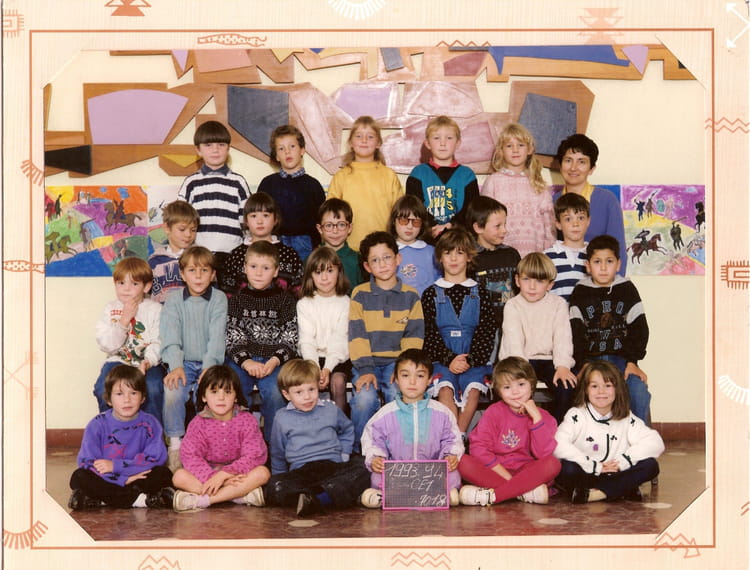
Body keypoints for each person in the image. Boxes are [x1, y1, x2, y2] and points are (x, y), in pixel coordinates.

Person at [359, 349, 464, 508]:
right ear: (396, 379)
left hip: (430, 473)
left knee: (453, 475)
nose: (412, 382)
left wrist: (451, 456)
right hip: (398, 474)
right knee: (377, 476)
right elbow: (373, 440)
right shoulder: (384, 415)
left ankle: (397, 496)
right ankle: (385, 494)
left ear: (429, 380)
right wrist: (376, 459)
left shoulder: (442, 412)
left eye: (420, 376)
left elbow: (452, 439)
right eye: (405, 375)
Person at [266, 359, 370, 516]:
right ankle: (325, 495)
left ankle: (318, 499)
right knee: (274, 485)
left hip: (332, 466)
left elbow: (347, 429)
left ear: (319, 387)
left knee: (364, 468)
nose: (307, 397)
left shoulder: (330, 409)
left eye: (311, 389)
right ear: (286, 394)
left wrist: (344, 454)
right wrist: (279, 477)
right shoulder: (281, 418)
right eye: (299, 392)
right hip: (301, 470)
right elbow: (277, 452)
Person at [348, 231, 424, 445]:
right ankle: (361, 449)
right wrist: (366, 369)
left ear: (398, 259)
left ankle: (399, 446)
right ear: (367, 267)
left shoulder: (411, 296)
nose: (382, 264)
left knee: (396, 394)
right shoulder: (360, 294)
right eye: (375, 260)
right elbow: (357, 336)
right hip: (367, 363)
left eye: (387, 257)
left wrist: (402, 369)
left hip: (397, 363)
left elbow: (414, 337)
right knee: (364, 399)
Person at [554, 360, 663, 503]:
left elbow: (655, 442)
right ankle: (621, 489)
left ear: (617, 389)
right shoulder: (577, 414)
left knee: (651, 466)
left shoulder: (625, 416)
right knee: (567, 469)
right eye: (594, 386)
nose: (601, 391)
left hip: (616, 472)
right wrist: (594, 466)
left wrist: (623, 462)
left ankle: (596, 494)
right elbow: (557, 444)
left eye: (608, 385)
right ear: (586, 389)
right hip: (587, 472)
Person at [568, 235, 651, 422]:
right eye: (597, 262)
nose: (603, 268)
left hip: (621, 359)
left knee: (638, 390)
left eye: (609, 261)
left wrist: (632, 361)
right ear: (588, 266)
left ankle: (640, 437)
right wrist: (582, 363)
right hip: (590, 360)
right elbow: (575, 332)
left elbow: (640, 329)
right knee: (576, 391)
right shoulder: (580, 291)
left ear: (618, 264)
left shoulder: (627, 289)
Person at [458, 357, 561, 506]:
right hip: (496, 471)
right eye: (507, 387)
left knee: (553, 464)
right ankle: (523, 492)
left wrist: (537, 419)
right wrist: (511, 481)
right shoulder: (494, 412)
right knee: (462, 462)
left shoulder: (545, 417)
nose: (515, 392)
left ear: (532, 384)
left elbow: (543, 454)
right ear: (499, 391)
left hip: (527, 474)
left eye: (521, 384)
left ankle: (493, 496)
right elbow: (479, 449)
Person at [160, 246, 228, 471]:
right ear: (182, 274)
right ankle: (175, 444)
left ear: (213, 274)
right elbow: (170, 335)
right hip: (183, 362)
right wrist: (176, 365)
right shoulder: (173, 299)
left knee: (212, 394)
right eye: (192, 270)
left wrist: (209, 367)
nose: (198, 276)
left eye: (204, 270)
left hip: (211, 362)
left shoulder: (219, 299)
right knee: (172, 391)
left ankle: (209, 446)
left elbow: (217, 337)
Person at [421, 227, 495, 435]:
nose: (453, 258)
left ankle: (459, 436)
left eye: (460, 252)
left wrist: (470, 359)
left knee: (473, 389)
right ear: (440, 258)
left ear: (469, 257)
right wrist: (449, 359)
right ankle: (454, 438)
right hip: (442, 359)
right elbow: (429, 334)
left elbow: (486, 331)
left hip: (473, 358)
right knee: (445, 388)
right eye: (448, 253)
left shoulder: (481, 292)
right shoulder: (430, 294)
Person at [69, 365, 174, 510]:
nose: (127, 400)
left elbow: (155, 458)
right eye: (119, 394)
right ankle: (141, 501)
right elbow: (88, 462)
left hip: (137, 477)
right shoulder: (97, 424)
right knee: (79, 476)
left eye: (133, 393)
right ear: (109, 399)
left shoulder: (151, 424)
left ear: (143, 398)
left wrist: (116, 466)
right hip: (109, 479)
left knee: (163, 474)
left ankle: (104, 500)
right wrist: (123, 479)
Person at [225, 240, 298, 440]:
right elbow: (232, 335)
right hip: (242, 360)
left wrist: (274, 360)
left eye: (266, 268)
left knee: (275, 392)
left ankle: (273, 444)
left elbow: (290, 337)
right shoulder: (236, 301)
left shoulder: (286, 300)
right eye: (253, 266)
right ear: (244, 268)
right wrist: (246, 362)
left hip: (274, 361)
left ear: (276, 271)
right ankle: (238, 440)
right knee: (233, 388)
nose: (258, 273)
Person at [172, 365, 270, 511]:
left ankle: (204, 500)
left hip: (238, 473)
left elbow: (254, 455)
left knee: (262, 473)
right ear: (203, 397)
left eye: (228, 392)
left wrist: (225, 474)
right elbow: (190, 456)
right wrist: (215, 478)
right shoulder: (198, 423)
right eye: (214, 392)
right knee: (179, 477)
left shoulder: (247, 420)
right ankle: (237, 496)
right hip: (207, 474)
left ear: (236, 397)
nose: (221, 397)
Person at [499, 253, 577, 424]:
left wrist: (562, 365)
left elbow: (563, 337)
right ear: (517, 280)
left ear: (550, 284)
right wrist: (523, 375)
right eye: (526, 279)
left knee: (567, 385)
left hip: (549, 360)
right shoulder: (513, 305)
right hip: (519, 360)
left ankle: (555, 429)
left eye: (540, 281)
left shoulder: (558, 304)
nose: (532, 286)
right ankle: (517, 430)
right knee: (517, 389)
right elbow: (514, 343)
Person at [177, 120, 251, 280]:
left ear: (228, 148)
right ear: (198, 150)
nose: (215, 150)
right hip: (199, 257)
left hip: (233, 254)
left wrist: (248, 250)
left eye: (221, 144)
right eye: (208, 145)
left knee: (230, 295)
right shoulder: (191, 183)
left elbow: (246, 220)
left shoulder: (238, 182)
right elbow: (181, 219)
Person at [94, 257, 164, 424]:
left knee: (153, 388)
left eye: (134, 284)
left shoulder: (155, 309)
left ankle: (152, 432)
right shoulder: (111, 309)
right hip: (118, 361)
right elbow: (107, 345)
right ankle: (111, 430)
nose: (126, 289)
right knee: (102, 388)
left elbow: (158, 341)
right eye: (121, 283)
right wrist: (124, 321)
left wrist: (148, 362)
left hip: (147, 363)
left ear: (146, 287)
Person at [552, 133, 627, 274]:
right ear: (560, 165)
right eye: (568, 160)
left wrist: (615, 285)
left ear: (591, 168)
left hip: (598, 282)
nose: (573, 168)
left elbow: (618, 251)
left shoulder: (607, 200)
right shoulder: (552, 201)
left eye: (581, 162)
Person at [327, 116, 403, 250]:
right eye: (358, 136)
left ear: (378, 143)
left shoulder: (389, 175)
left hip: (381, 248)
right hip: (348, 248)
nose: (364, 140)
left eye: (370, 136)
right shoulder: (341, 177)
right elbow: (330, 214)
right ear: (350, 142)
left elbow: (400, 213)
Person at [480, 123, 555, 257]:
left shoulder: (538, 183)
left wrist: (548, 255)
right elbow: (485, 220)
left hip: (534, 255)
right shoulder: (493, 181)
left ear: (530, 149)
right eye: (509, 146)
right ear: (501, 151)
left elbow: (549, 225)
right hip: (502, 255)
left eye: (520, 145)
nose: (515, 150)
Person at [257, 124, 326, 262]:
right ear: (276, 156)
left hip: (305, 243)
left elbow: (321, 220)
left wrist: (318, 245)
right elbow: (259, 215)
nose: (287, 152)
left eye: (292, 146)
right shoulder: (267, 184)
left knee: (303, 275)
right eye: (281, 148)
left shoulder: (313, 185)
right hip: (274, 242)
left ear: (302, 150)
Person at [406, 115, 479, 237]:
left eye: (449, 138)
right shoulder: (418, 174)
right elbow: (415, 208)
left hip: (458, 238)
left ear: (458, 143)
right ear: (427, 143)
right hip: (427, 236)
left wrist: (451, 225)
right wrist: (433, 227)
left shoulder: (467, 175)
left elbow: (471, 210)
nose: (443, 143)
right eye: (436, 138)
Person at [297, 247, 352, 411]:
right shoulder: (304, 303)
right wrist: (314, 369)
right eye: (318, 272)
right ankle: (312, 423)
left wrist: (327, 368)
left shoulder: (346, 302)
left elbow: (340, 339)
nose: (324, 278)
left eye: (330, 270)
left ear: (339, 272)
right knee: (306, 382)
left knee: (338, 382)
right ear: (310, 276)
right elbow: (307, 340)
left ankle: (340, 423)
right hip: (311, 358)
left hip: (338, 358)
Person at [219, 192, 304, 296]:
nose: (259, 221)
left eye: (266, 215)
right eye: (253, 216)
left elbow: (299, 291)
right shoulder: (235, 255)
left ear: (275, 219)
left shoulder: (290, 255)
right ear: (246, 221)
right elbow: (228, 292)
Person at [463, 196, 521, 337]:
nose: (504, 230)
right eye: (497, 226)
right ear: (478, 227)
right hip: (480, 332)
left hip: (511, 328)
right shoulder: (469, 258)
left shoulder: (511, 254)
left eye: (505, 224)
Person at [148, 200, 199, 304]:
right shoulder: (154, 261)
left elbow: (212, 293)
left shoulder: (200, 259)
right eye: (182, 229)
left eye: (193, 230)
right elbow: (146, 294)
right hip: (162, 313)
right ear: (167, 228)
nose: (188, 234)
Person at [388, 194, 440, 295]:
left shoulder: (432, 252)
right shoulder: (387, 252)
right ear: (394, 221)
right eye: (404, 221)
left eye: (416, 222)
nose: (410, 226)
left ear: (422, 224)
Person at [544, 192, 590, 302]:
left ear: (588, 221)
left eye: (580, 218)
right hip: (555, 313)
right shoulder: (546, 257)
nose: (575, 224)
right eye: (568, 219)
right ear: (558, 224)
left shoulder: (594, 256)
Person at [316, 198, 364, 293]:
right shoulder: (312, 259)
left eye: (341, 225)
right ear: (320, 228)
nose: (335, 231)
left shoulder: (358, 261)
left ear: (349, 228)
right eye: (329, 225)